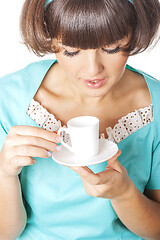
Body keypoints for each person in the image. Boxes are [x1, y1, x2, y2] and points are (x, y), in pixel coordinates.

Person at [0, 0, 160, 239]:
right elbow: (6, 233)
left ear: (133, 34)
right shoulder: (9, 98)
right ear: (51, 38)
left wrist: (124, 194)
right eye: (72, 51)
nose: (93, 69)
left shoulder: (155, 105)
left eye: (113, 48)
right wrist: (4, 173)